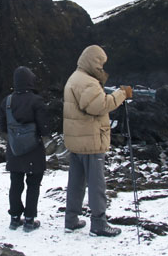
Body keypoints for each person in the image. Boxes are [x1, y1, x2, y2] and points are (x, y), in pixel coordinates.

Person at [63, 45, 133, 237]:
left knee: (76, 182)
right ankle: (99, 224)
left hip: (77, 140)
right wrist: (122, 94)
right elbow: (100, 106)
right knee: (96, 184)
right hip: (91, 140)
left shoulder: (74, 77)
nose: (102, 68)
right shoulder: (87, 82)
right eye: (101, 63)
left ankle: (71, 220)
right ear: (93, 61)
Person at [0, 66, 50, 232]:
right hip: (33, 149)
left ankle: (14, 219)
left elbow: (3, 127)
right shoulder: (37, 100)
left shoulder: (7, 101)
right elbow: (44, 128)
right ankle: (29, 220)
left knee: (16, 184)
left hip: (14, 149)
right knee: (33, 184)